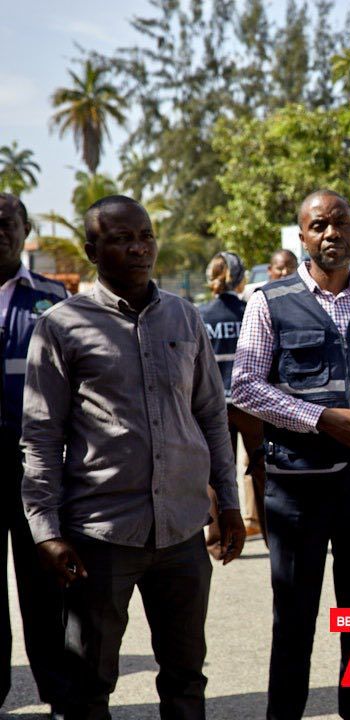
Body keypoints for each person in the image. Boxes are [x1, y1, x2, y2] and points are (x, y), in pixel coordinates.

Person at [20, 195, 246, 719]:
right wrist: (45, 531)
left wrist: (229, 501)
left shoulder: (184, 317)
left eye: (145, 236)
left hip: (181, 533)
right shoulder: (61, 326)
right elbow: (41, 435)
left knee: (186, 676)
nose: (139, 248)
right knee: (89, 683)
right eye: (122, 239)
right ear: (92, 251)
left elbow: (212, 416)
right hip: (101, 537)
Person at [231, 190, 350, 720]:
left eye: (341, 222)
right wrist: (320, 418)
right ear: (302, 237)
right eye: (319, 225)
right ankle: (286, 713)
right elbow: (245, 387)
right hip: (297, 489)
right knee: (294, 617)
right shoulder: (268, 301)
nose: (331, 233)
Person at [0, 193, 69, 718]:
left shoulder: (54, 299)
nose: (0, 231)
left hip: (37, 464)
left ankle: (60, 694)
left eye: (8, 223)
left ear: (25, 231)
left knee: (46, 582)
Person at [199, 251, 266, 549]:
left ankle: (218, 540)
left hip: (214, 408)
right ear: (241, 280)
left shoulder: (200, 315)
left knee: (216, 473)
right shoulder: (251, 311)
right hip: (251, 406)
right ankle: (273, 538)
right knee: (261, 470)